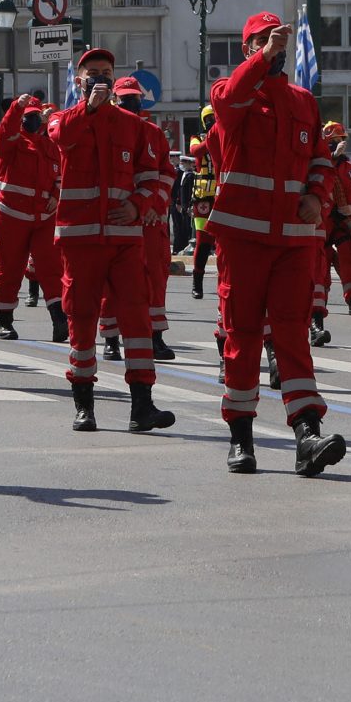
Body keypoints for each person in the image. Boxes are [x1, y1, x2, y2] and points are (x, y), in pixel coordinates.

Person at [208, 12, 346, 477]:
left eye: (276, 40)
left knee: (292, 336)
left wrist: (316, 195)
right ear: (247, 49)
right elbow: (228, 102)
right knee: (242, 338)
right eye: (262, 41)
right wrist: (261, 59)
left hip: (293, 242)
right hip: (242, 238)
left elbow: (321, 161)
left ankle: (307, 435)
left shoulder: (303, 102)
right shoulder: (231, 94)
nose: (273, 47)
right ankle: (241, 438)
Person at [50, 47, 176, 436]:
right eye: (93, 73)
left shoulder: (133, 126)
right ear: (79, 80)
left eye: (106, 72)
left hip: (125, 241)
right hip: (80, 240)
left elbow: (150, 174)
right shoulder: (65, 118)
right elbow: (60, 134)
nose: (100, 78)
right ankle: (84, 405)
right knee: (83, 320)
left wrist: (139, 206)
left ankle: (142, 405)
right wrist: (88, 108)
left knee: (137, 319)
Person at [0, 93, 66, 346]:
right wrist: (16, 108)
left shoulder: (49, 147)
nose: (31, 120)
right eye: (27, 117)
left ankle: (59, 319)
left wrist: (55, 194)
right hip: (11, 218)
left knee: (51, 268)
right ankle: (5, 321)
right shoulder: (10, 142)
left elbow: (59, 177)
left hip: (43, 219)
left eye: (35, 116)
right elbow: (5, 130)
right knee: (10, 270)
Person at [115, 76, 179, 361]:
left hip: (152, 220)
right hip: (119, 216)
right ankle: (110, 338)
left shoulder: (153, 133)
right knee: (114, 281)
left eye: (134, 97)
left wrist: (155, 204)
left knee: (155, 276)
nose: (131, 103)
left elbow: (165, 172)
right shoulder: (107, 130)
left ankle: (155, 336)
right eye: (125, 98)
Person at [307, 119, 351, 346]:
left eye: (342, 140)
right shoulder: (319, 165)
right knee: (319, 273)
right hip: (321, 224)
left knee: (349, 254)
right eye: (334, 141)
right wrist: (330, 158)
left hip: (342, 223)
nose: (340, 145)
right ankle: (316, 325)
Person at [187, 104, 219, 298]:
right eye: (207, 120)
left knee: (225, 243)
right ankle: (197, 283)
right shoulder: (197, 138)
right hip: (203, 198)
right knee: (203, 242)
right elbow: (195, 151)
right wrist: (213, 137)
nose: (211, 122)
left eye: (214, 118)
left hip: (223, 195)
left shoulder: (226, 135)